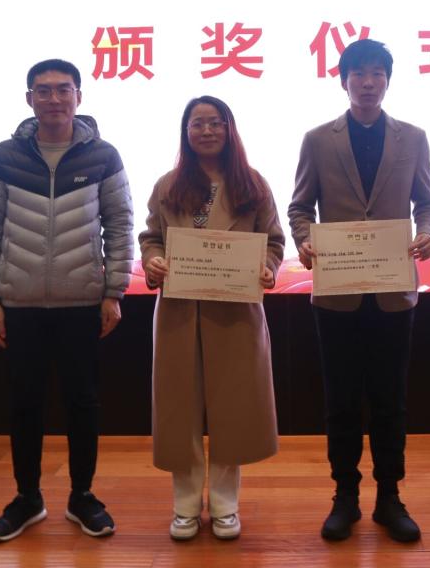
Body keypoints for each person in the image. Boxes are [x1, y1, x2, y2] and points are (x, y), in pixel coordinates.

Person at [0, 59, 133, 542]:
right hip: (19, 305)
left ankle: (82, 496)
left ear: (79, 97)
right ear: (29, 99)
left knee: (83, 403)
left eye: (64, 90)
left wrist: (114, 292)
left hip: (81, 304)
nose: (54, 99)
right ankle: (28, 498)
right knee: (24, 404)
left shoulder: (103, 156)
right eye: (43, 91)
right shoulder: (3, 157)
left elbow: (119, 226)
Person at [287, 39, 430, 543]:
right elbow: (300, 208)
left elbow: (428, 203)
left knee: (391, 400)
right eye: (359, 73)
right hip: (338, 292)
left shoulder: (413, 137)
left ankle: (390, 497)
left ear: (388, 81)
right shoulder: (318, 139)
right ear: (344, 80)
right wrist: (305, 241)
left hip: (393, 291)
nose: (368, 82)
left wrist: (429, 234)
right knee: (341, 400)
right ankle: (345, 496)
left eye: (377, 73)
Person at [139, 95, 283, 542]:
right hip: (179, 313)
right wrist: (153, 261)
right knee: (179, 411)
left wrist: (268, 268)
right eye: (197, 123)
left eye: (215, 122)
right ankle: (184, 507)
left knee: (232, 409)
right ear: (186, 132)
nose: (206, 130)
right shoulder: (168, 185)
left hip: (235, 314)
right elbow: (151, 237)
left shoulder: (253, 184)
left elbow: (274, 242)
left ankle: (224, 506)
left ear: (229, 129)